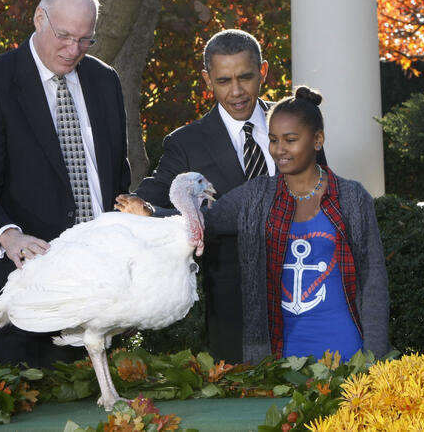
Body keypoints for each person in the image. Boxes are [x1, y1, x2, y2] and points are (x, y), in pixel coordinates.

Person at [118, 86, 389, 364]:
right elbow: (203, 223)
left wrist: (375, 356)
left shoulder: (353, 198)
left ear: (317, 140)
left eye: (291, 140)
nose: (279, 150)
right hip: (277, 352)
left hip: (345, 347)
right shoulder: (256, 196)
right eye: (273, 140)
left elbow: (373, 281)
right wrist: (152, 213)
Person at [0, 0, 130, 367]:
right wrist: (9, 235)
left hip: (101, 295)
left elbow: (116, 180)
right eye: (64, 36)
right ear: (39, 18)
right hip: (28, 298)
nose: (73, 50)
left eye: (85, 40)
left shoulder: (105, 81)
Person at [129, 30, 326, 363]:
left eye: (245, 77)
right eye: (223, 81)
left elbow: (320, 188)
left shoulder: (296, 123)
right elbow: (159, 188)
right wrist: (142, 206)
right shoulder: (187, 142)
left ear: (263, 72)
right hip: (230, 298)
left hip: (303, 282)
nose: (236, 92)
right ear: (208, 80)